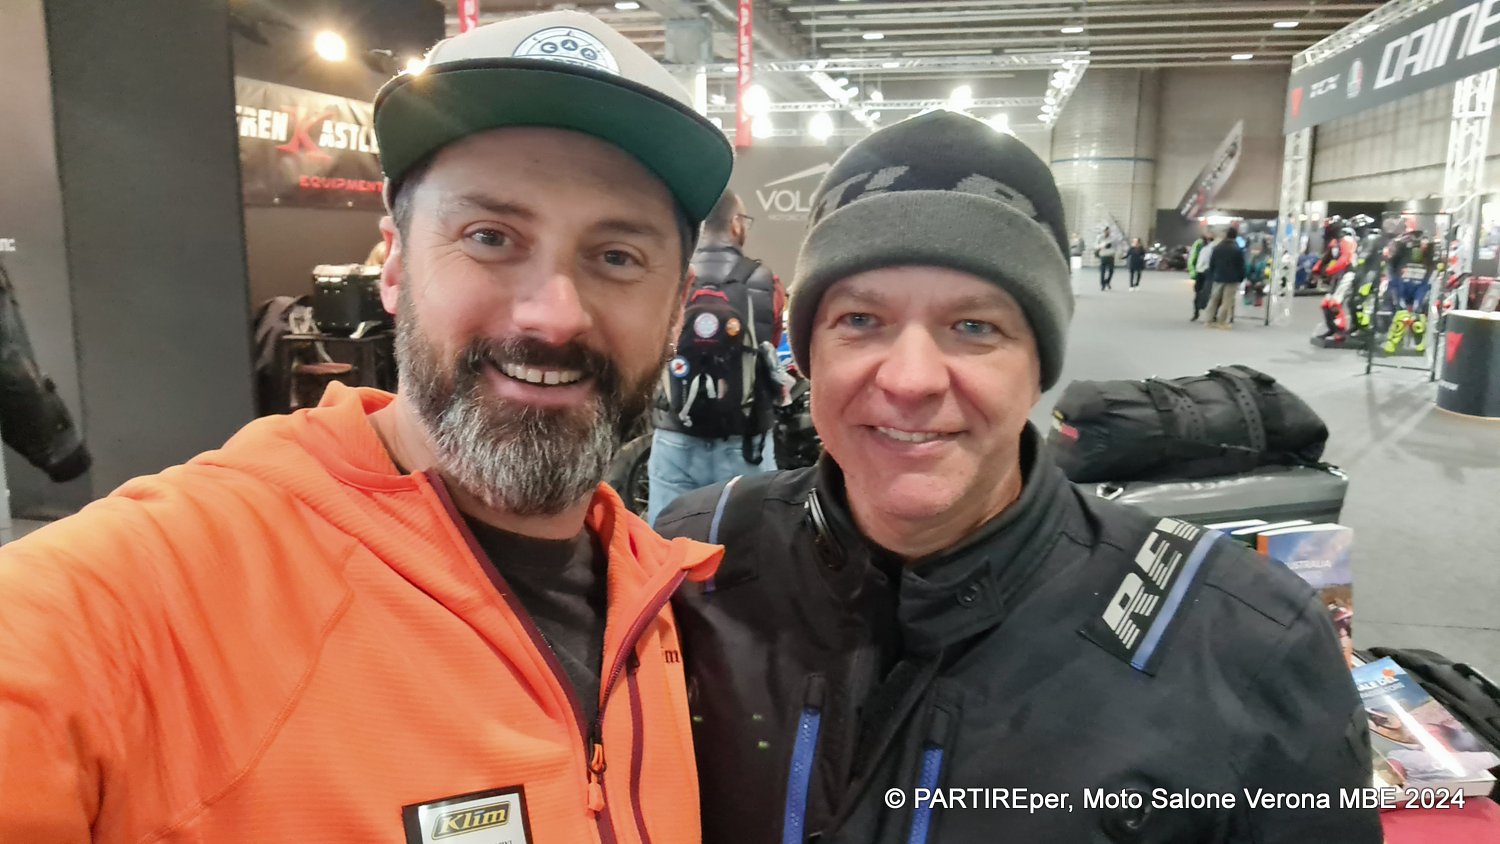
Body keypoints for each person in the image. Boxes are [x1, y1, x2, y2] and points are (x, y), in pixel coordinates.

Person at [0, 11, 733, 841]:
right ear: (394, 264)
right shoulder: (148, 596)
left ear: (677, 309)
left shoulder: (665, 600)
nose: (553, 314)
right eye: (491, 237)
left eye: (617, 257)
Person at [657, 111, 1378, 843]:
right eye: (861, 320)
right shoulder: (696, 560)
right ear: (811, 352)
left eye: (975, 327)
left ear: (1039, 367)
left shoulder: (1243, 645)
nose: (910, 379)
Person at [647, 189, 787, 525]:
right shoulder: (766, 282)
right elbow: (770, 345)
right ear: (736, 225)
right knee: (747, 544)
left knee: (665, 540)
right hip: (745, 442)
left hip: (676, 434)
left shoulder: (670, 276)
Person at [1206, 225, 1248, 328]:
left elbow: (1212, 263)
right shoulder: (1237, 249)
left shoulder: (1217, 248)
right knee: (1227, 301)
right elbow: (1241, 265)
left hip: (1218, 277)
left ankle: (1208, 320)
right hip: (1232, 279)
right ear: (1235, 236)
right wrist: (1241, 277)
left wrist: (1212, 275)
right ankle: (1221, 321)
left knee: (1214, 299)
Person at [1189, 231, 1213, 320]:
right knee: (1198, 292)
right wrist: (1193, 271)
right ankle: (1196, 312)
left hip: (1209, 272)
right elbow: (1192, 257)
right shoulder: (1199, 244)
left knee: (1209, 293)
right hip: (1200, 271)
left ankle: (1211, 314)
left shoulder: (1214, 245)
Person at [1095, 226, 1116, 290]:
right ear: (1104, 231)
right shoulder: (1100, 237)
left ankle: (1107, 281)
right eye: (1106, 231)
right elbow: (1095, 246)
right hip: (1103, 256)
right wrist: (1102, 245)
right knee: (1102, 272)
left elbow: (1115, 246)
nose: (1107, 232)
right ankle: (1103, 285)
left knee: (1111, 271)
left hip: (1110, 256)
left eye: (1108, 231)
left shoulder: (1112, 238)